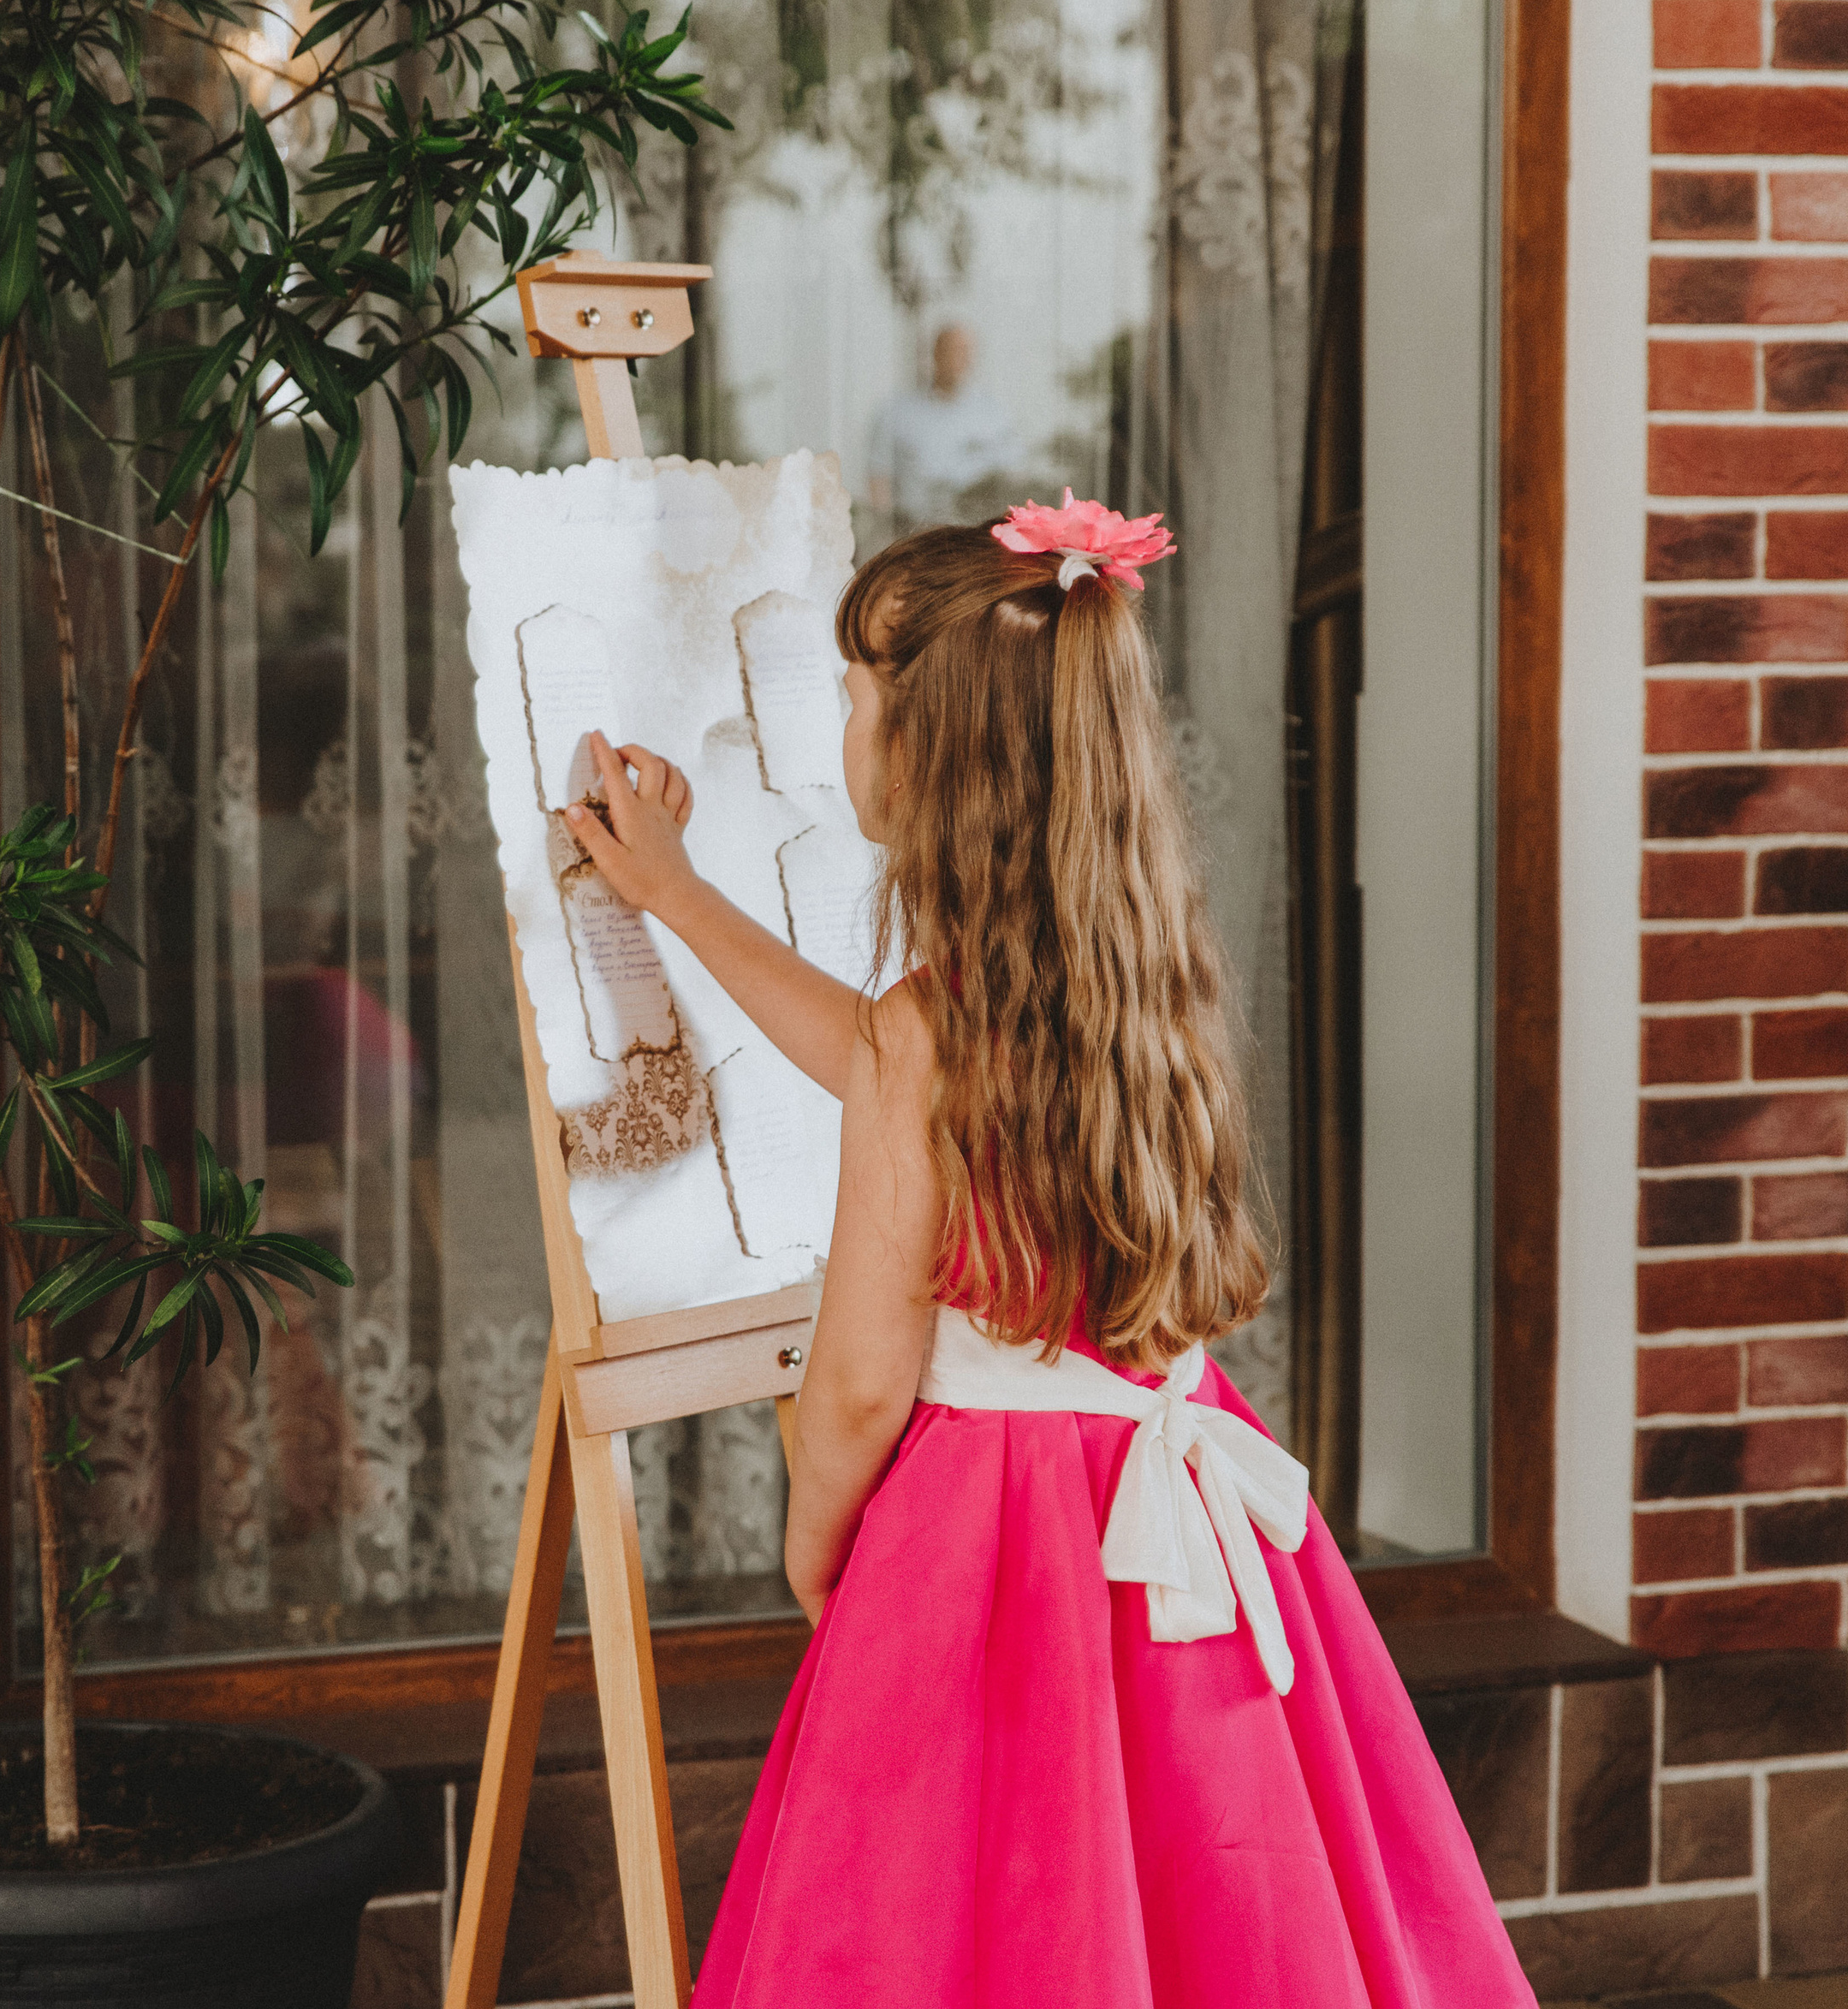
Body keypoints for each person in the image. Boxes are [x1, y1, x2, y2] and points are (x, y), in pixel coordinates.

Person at [560, 499, 1535, 2008]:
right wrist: (679, 896)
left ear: (934, 749)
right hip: (1181, 1521)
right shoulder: (1137, 982)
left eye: (856, 693)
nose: (841, 721)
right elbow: (881, 1061)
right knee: (1207, 1904)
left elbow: (865, 1385)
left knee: (992, 1922)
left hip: (993, 1555)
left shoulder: (932, 1036)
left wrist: (822, 1551)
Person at [865, 321, 1014, 530]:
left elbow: (1010, 478)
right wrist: (885, 530)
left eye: (965, 352)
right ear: (935, 354)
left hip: (974, 535)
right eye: (951, 350)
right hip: (914, 534)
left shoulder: (992, 414)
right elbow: (878, 476)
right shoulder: (898, 412)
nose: (959, 359)